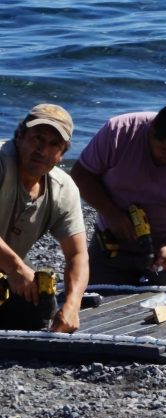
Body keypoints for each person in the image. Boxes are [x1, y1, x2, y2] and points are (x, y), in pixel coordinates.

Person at [70, 102, 166, 286]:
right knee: (93, 296)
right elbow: (81, 174)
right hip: (114, 242)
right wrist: (111, 213)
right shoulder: (119, 132)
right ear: (151, 131)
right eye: (165, 150)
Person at [0, 104, 89, 332]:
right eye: (37, 139)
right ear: (19, 137)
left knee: (38, 308)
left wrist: (72, 305)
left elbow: (77, 254)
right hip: (8, 264)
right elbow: (16, 268)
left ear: (62, 154)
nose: (43, 150)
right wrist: (15, 267)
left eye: (54, 145)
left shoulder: (62, 189)